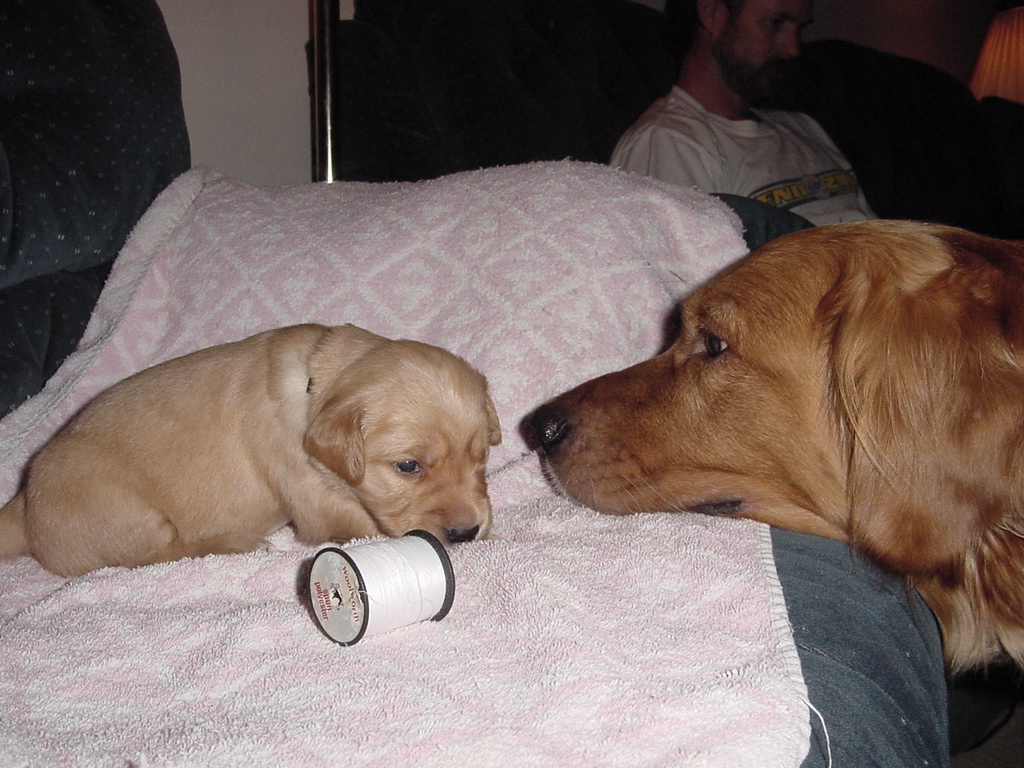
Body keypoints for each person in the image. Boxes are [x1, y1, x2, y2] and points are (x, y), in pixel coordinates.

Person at [612, 0, 875, 226]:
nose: (793, 48)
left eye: (800, 28)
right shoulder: (669, 141)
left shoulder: (803, 126)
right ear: (712, 13)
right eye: (775, 23)